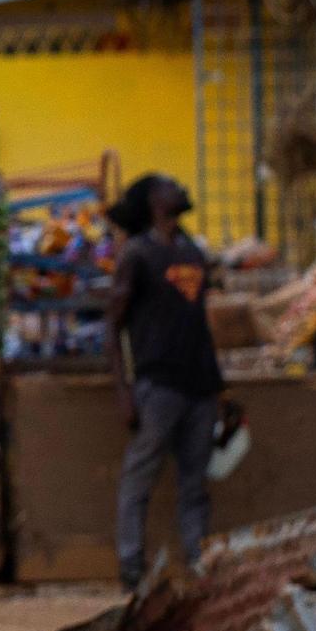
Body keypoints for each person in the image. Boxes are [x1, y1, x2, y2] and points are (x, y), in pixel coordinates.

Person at [102, 172, 221, 590]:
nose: (181, 188)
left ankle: (199, 565)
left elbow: (199, 321)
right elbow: (113, 326)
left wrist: (219, 386)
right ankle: (131, 565)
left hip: (200, 383)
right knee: (140, 476)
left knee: (196, 482)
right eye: (170, 184)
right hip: (159, 384)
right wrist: (124, 389)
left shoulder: (192, 250)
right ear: (154, 200)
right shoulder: (137, 254)